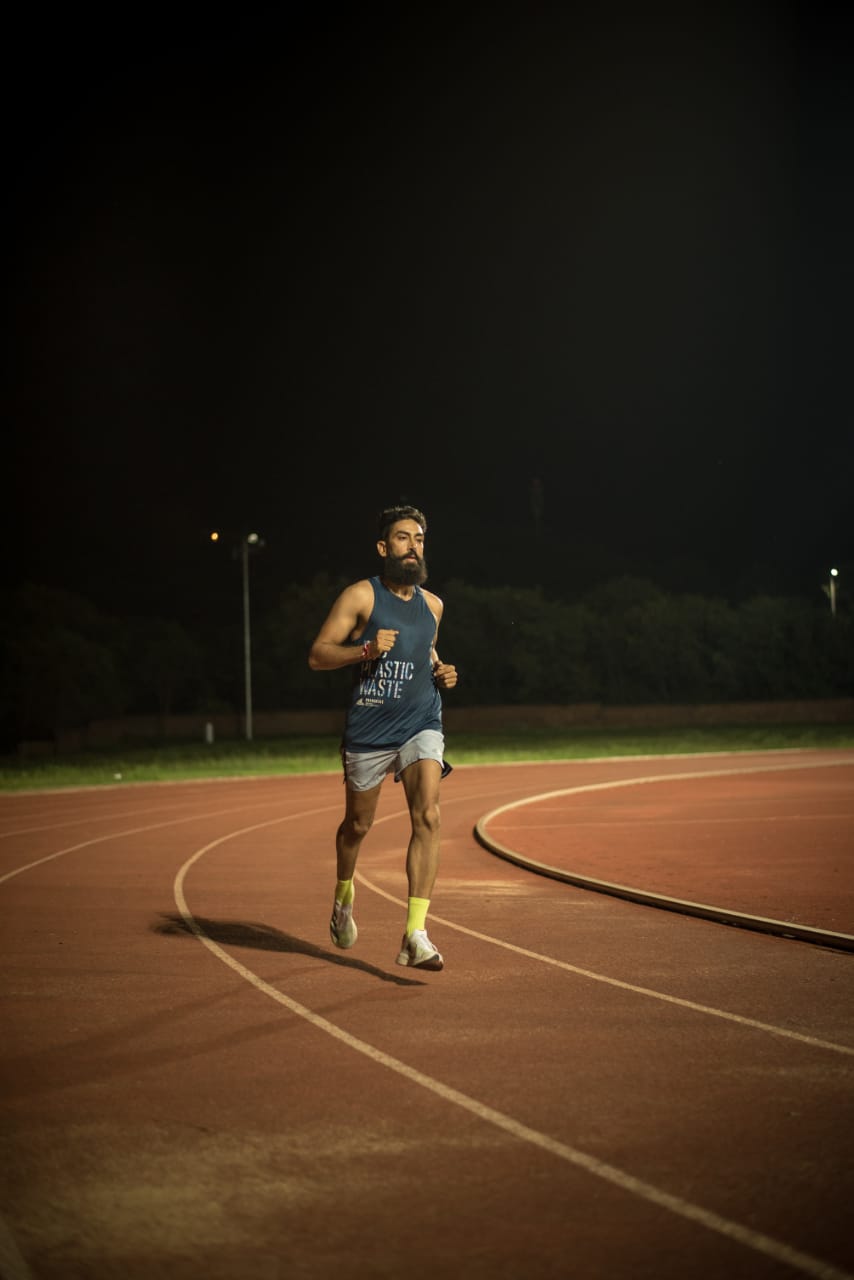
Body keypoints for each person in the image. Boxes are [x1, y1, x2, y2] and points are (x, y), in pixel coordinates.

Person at [308, 504, 458, 971]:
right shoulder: (361, 596)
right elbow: (318, 655)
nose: (413, 546)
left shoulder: (434, 605)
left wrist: (442, 669)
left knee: (428, 814)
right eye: (402, 538)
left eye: (419, 539)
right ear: (383, 547)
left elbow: (427, 650)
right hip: (370, 729)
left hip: (421, 722)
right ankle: (343, 895)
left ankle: (415, 934)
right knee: (357, 826)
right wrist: (366, 650)